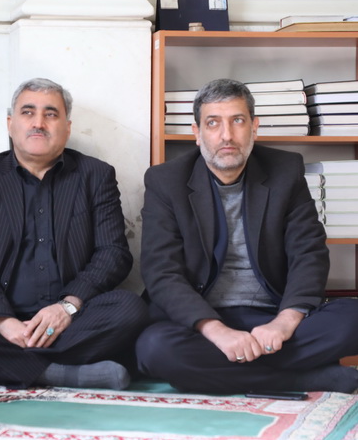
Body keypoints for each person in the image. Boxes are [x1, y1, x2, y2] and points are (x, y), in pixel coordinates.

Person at [0, 78, 148, 390]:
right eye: (28, 112)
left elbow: (113, 253)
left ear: (67, 127)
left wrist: (66, 307)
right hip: (0, 320)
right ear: (10, 124)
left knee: (130, 308)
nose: (38, 123)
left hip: (72, 319)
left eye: (51, 114)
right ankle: (56, 373)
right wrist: (2, 321)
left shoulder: (95, 175)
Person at [136, 78, 358, 395]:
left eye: (237, 121)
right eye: (213, 123)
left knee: (352, 317)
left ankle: (226, 373)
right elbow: (161, 271)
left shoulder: (285, 170)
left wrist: (284, 322)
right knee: (154, 349)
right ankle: (302, 380)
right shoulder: (165, 181)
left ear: (254, 127)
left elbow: (309, 253)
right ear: (197, 133)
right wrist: (217, 331)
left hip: (271, 314)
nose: (226, 135)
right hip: (203, 319)